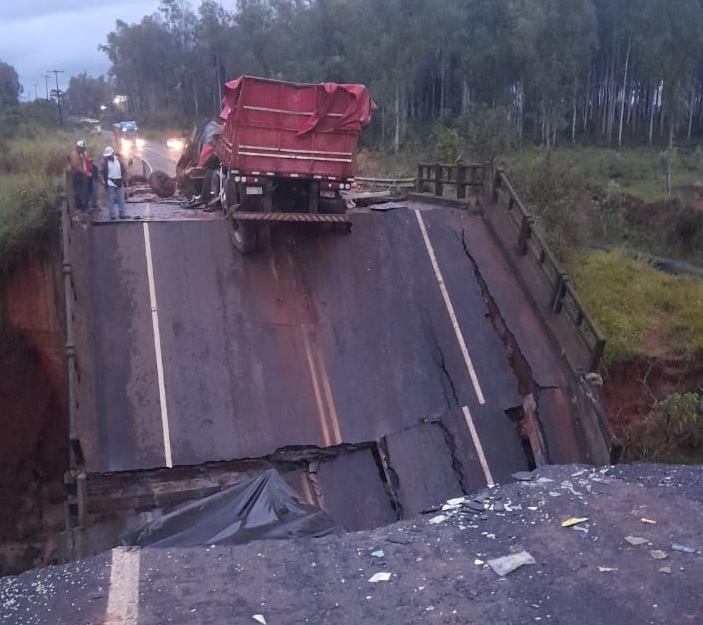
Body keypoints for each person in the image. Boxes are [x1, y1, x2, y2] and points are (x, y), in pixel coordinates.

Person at [101, 146, 127, 220]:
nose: (108, 157)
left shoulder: (119, 160)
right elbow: (101, 171)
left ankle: (122, 213)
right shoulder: (104, 162)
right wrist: (103, 180)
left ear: (112, 154)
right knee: (110, 198)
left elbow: (124, 170)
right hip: (110, 181)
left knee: (121, 198)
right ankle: (111, 214)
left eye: (109, 155)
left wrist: (124, 179)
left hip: (119, 180)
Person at [68, 139, 90, 211]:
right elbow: (76, 166)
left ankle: (83, 205)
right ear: (78, 147)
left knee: (84, 190)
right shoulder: (74, 155)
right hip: (77, 175)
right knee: (80, 191)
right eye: (82, 148)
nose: (83, 150)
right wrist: (85, 172)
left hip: (81, 174)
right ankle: (82, 206)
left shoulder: (80, 153)